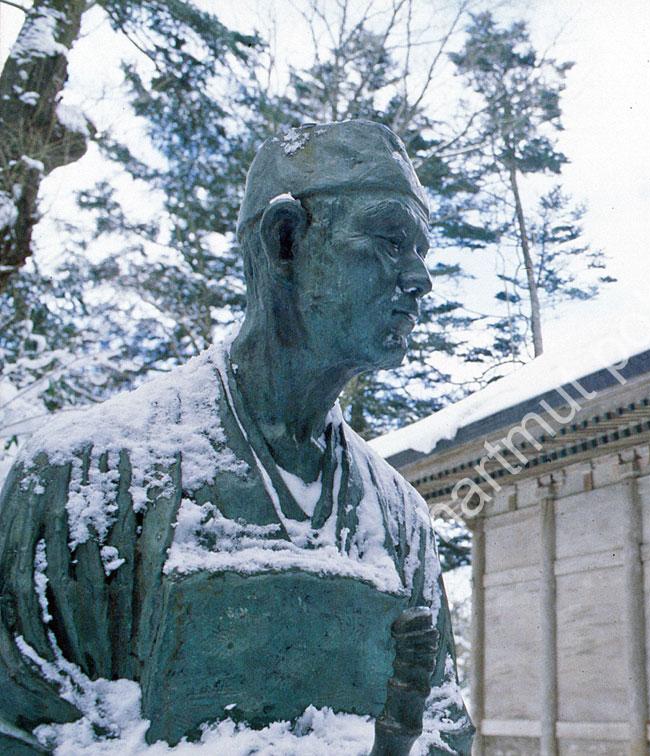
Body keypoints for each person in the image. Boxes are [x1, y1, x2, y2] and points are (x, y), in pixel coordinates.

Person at [0, 121, 474, 754]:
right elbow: (22, 723)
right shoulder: (85, 476)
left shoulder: (398, 519)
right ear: (285, 241)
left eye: (422, 251)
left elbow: (444, 725)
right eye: (390, 241)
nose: (420, 279)